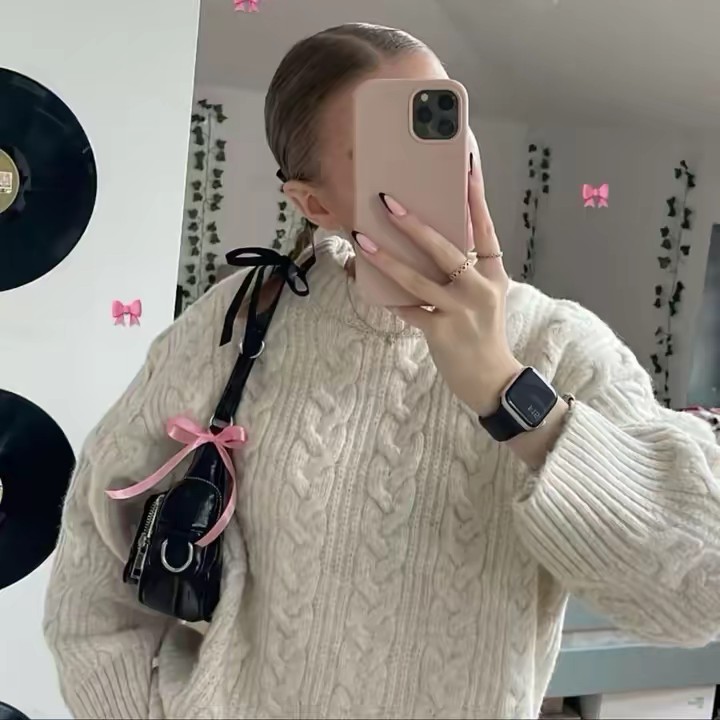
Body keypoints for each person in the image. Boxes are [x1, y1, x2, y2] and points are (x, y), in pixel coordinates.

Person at [44, 23, 720, 720]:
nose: (441, 169)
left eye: (443, 125)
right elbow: (95, 562)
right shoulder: (242, 321)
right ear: (315, 204)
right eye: (393, 151)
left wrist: (510, 395)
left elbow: (701, 596)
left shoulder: (558, 345)